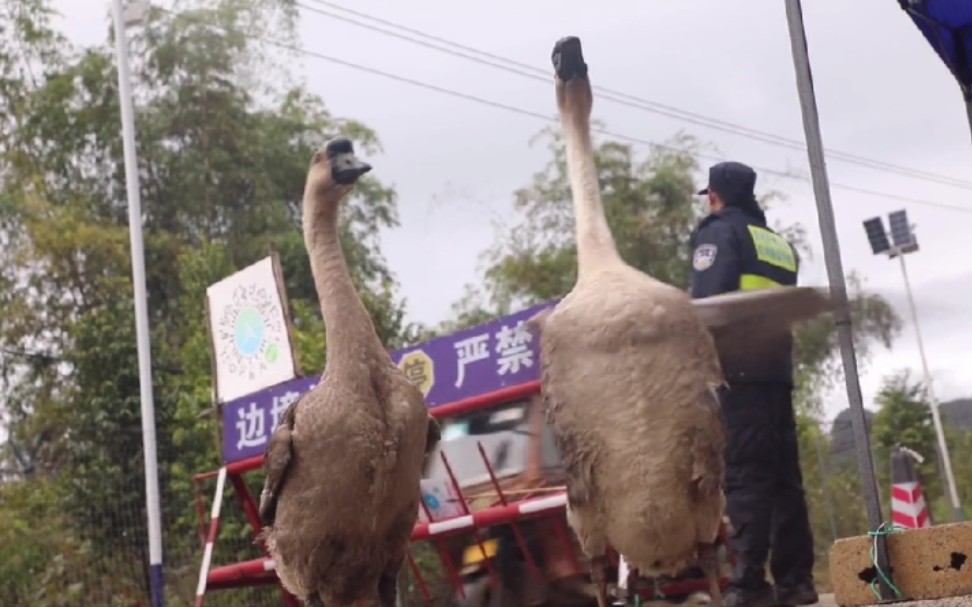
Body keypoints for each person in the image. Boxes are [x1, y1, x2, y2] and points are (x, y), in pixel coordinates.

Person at [689, 161, 818, 607]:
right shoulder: (777, 243)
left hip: (737, 373)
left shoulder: (718, 234)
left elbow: (709, 306)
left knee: (746, 478)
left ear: (716, 196)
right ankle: (796, 582)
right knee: (784, 480)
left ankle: (748, 585)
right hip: (777, 373)